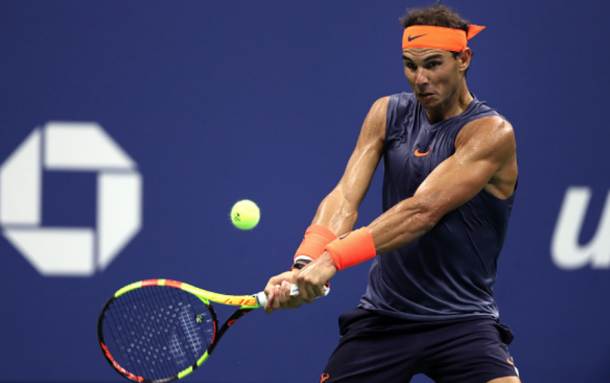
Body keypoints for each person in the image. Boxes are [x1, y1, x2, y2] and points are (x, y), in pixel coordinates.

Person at [264, 4, 520, 383]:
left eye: (433, 64)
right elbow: (344, 198)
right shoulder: (387, 112)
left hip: (464, 321)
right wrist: (305, 263)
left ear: (463, 59)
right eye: (410, 65)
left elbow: (421, 212)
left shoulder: (491, 133)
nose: (420, 79)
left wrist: (332, 259)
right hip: (384, 317)